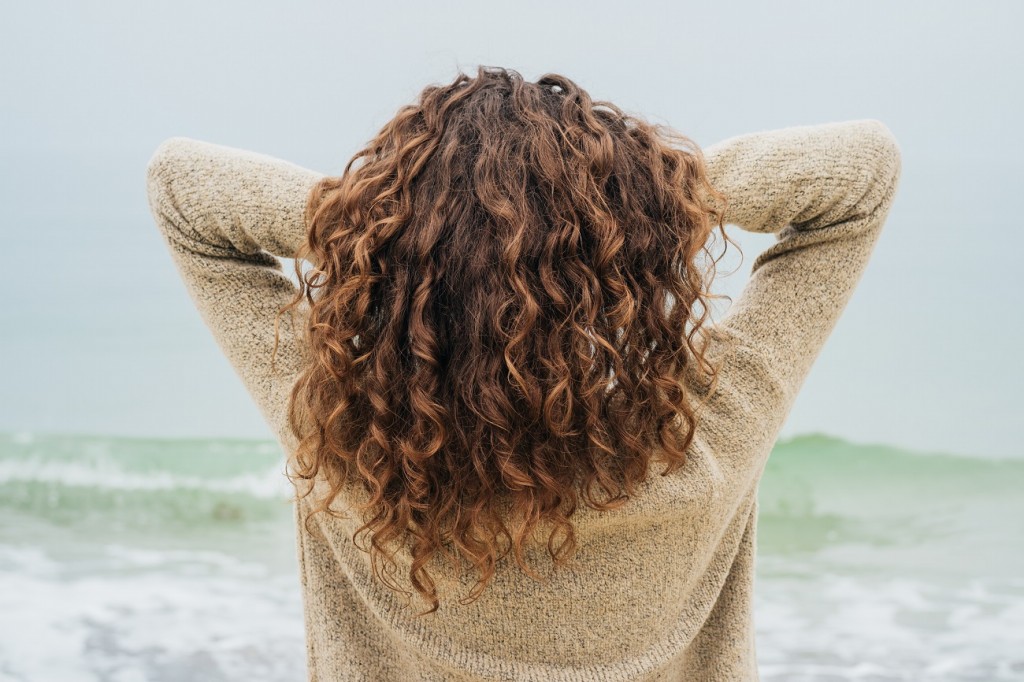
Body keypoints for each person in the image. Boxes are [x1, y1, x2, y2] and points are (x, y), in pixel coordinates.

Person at [145, 65, 902, 681]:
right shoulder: (703, 449)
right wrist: (632, 206)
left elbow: (182, 190)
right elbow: (862, 172)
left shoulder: (348, 443)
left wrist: (390, 224)